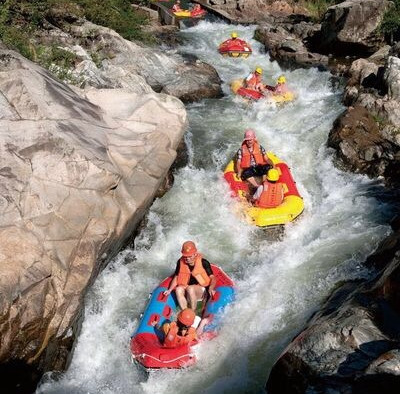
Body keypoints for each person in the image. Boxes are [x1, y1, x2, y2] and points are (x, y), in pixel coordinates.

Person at [163, 241, 217, 311]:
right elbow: (176, 277)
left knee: (190, 288)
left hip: (201, 290)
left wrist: (211, 288)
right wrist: (169, 290)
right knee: (178, 289)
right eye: (185, 256)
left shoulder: (204, 262)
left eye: (189, 256)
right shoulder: (180, 262)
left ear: (195, 254)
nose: (187, 259)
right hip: (187, 288)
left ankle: (192, 312)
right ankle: (185, 312)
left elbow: (213, 278)